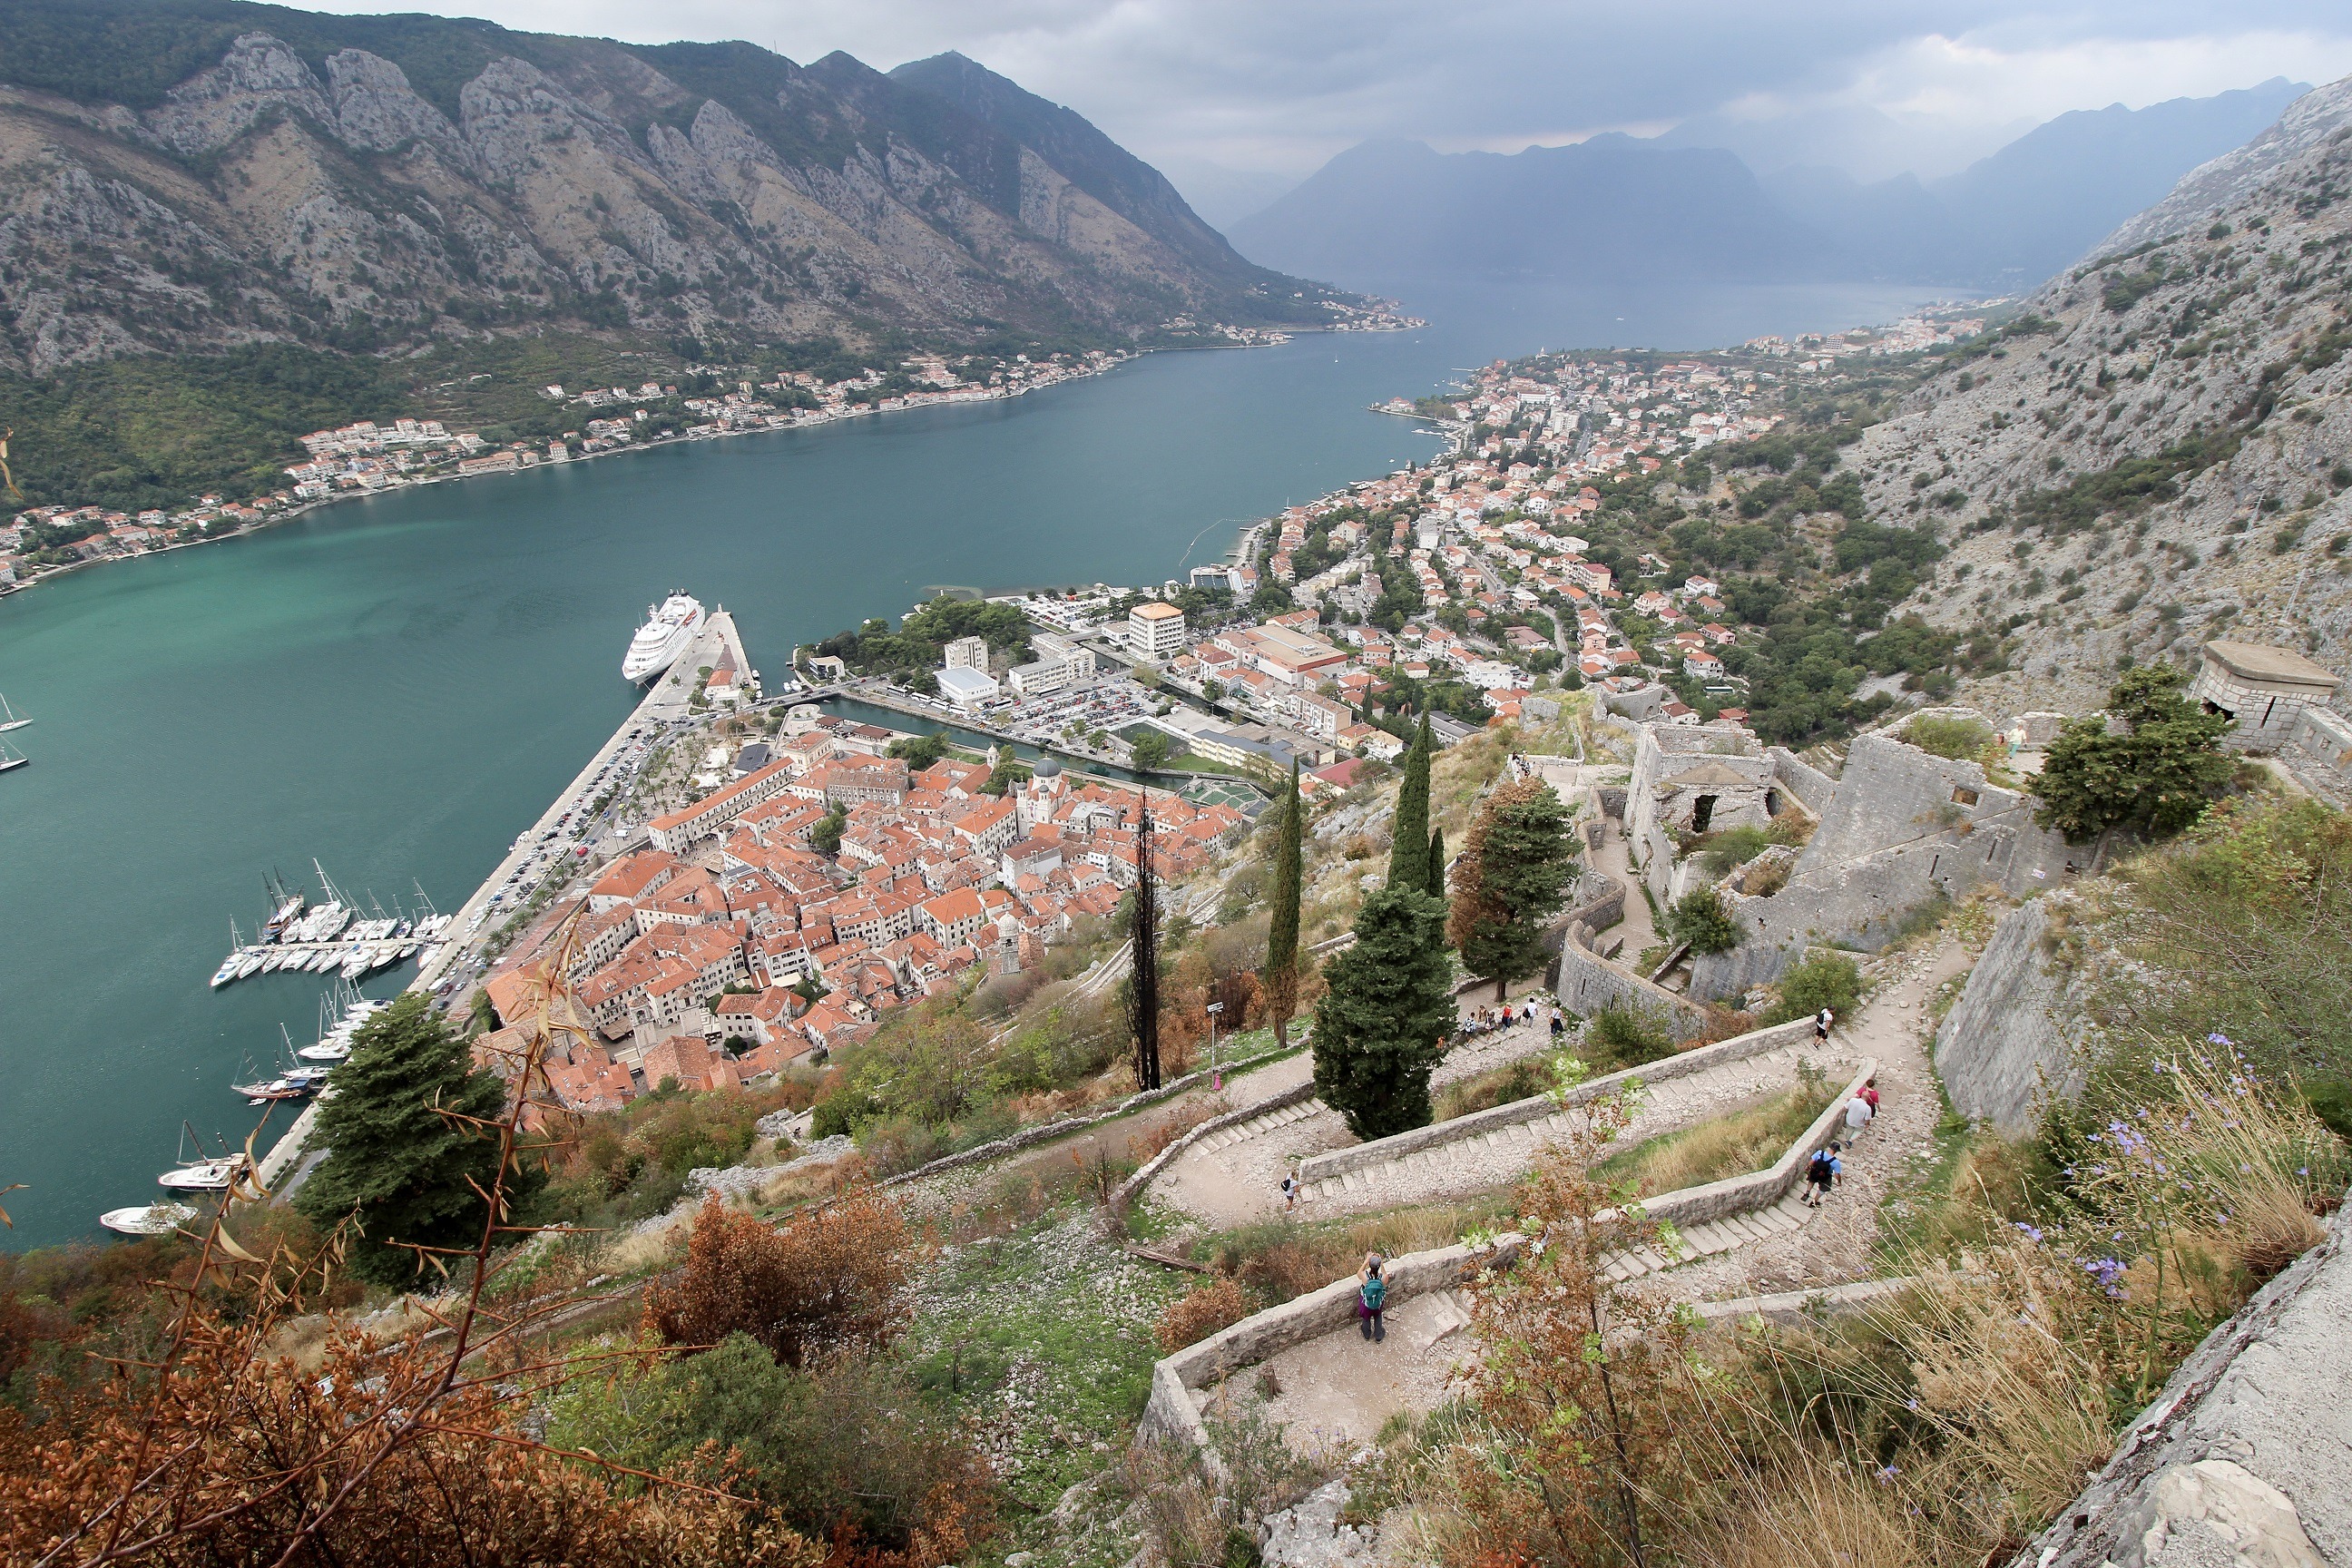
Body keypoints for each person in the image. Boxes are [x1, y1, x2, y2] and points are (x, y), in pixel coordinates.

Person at [1357, 1252, 1387, 1342]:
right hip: (1378, 1303)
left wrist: (1367, 1260)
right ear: (1378, 1266)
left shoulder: (1365, 1277)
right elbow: (1385, 1273)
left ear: (1370, 1265)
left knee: (1366, 1318)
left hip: (1366, 1304)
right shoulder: (1383, 1278)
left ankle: (1367, 1334)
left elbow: (1358, 1273)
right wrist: (1380, 1262)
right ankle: (1378, 1336)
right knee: (1378, 1316)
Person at [1803, 1142, 1842, 1207]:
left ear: (1830, 1147)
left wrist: (1808, 1167)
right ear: (1836, 1151)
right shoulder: (1836, 1162)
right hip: (1825, 1176)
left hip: (1815, 1172)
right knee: (1824, 1188)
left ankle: (1807, 1192)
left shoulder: (1820, 1153)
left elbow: (1812, 1161)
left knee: (1812, 1179)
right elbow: (1837, 1174)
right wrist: (1839, 1181)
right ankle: (1814, 1201)